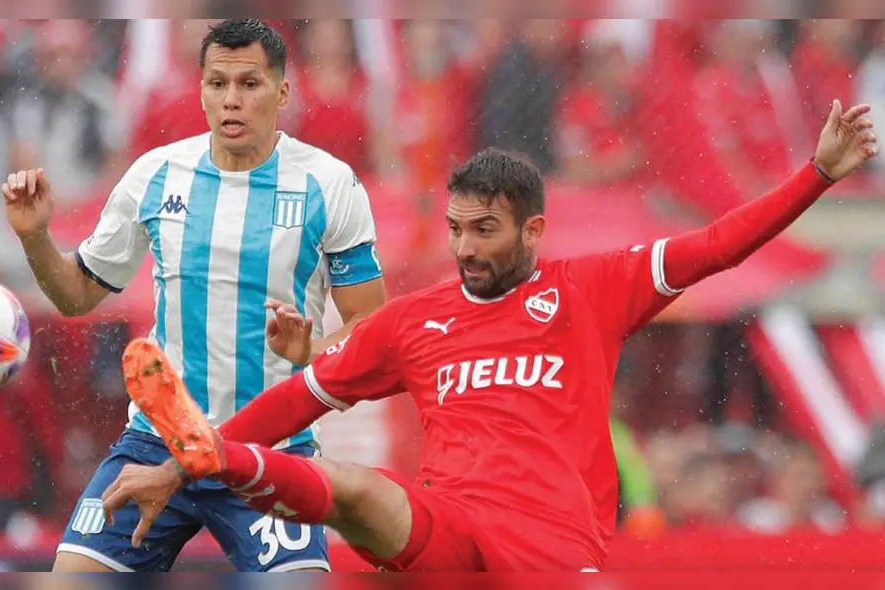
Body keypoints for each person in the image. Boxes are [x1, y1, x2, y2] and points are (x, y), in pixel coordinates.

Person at [100, 101, 876, 571]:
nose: (465, 248)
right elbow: (298, 399)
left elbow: (717, 247)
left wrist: (816, 173)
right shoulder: (413, 319)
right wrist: (180, 465)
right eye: (456, 230)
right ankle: (214, 457)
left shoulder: (593, 289)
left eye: (485, 231)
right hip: (450, 531)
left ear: (532, 230)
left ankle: (218, 461)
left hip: (550, 547)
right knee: (360, 492)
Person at [1, 19, 387, 572]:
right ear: (200, 88)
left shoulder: (328, 184)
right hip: (156, 440)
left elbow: (372, 331)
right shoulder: (154, 175)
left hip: (269, 450)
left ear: (282, 91)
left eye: (249, 84)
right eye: (217, 83)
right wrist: (34, 235)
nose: (231, 100)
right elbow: (77, 296)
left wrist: (312, 350)